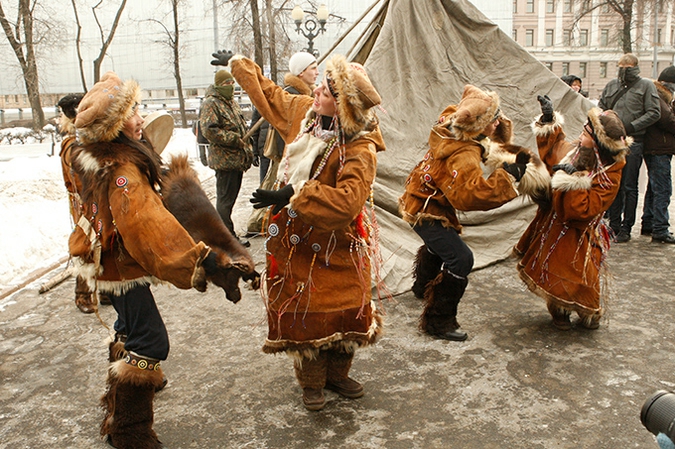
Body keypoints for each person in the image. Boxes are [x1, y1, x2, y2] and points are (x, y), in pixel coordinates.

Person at [211, 50, 384, 411]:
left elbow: (348, 202)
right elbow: (271, 94)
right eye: (318, 84)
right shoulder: (306, 115)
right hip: (297, 244)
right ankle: (311, 382)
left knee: (346, 307)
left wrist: (295, 192)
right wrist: (240, 64)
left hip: (339, 243)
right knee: (305, 310)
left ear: (345, 106)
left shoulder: (360, 147)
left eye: (325, 90)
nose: (316, 91)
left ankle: (337, 373)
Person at [68, 71, 219, 449]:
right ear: (115, 125)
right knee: (151, 341)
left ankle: (117, 402)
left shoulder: (108, 156)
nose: (141, 117)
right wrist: (194, 263)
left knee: (131, 327)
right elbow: (147, 231)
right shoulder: (123, 174)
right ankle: (129, 430)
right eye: (133, 111)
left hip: (108, 259)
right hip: (117, 265)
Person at [398, 84, 543, 342]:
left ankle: (422, 287)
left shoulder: (453, 119)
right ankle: (439, 321)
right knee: (461, 259)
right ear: (479, 124)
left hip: (420, 197)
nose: (499, 121)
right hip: (425, 209)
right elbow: (469, 196)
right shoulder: (463, 153)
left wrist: (494, 124)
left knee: (440, 245)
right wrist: (507, 177)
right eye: (493, 119)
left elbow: (473, 115)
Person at [515, 95, 631, 330]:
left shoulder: (611, 174)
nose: (581, 134)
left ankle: (588, 313)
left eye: (587, 132)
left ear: (598, 142)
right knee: (555, 271)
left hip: (581, 236)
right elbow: (556, 149)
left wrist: (574, 178)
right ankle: (559, 311)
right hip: (554, 229)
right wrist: (549, 120)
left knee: (582, 276)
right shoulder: (576, 152)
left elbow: (581, 211)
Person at [246, 52, 318, 236]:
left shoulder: (305, 93)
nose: (317, 72)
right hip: (284, 153)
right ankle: (262, 224)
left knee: (275, 190)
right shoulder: (292, 95)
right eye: (313, 68)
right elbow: (278, 126)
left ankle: (265, 224)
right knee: (274, 190)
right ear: (301, 72)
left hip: (285, 152)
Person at [57, 93, 111, 313]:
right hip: (85, 203)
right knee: (86, 246)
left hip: (96, 200)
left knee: (106, 241)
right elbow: (80, 178)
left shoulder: (84, 141)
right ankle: (83, 295)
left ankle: (107, 288)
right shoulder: (72, 145)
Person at [598, 53, 660, 243]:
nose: (624, 69)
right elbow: (601, 106)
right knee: (613, 184)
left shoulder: (646, 85)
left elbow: (653, 112)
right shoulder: (612, 85)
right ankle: (613, 225)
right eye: (621, 66)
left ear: (636, 66)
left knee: (629, 186)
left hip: (634, 142)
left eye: (628, 66)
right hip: (612, 143)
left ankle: (626, 227)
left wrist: (632, 127)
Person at [199, 69, 253, 247]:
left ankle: (226, 236)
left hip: (236, 161)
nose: (230, 87)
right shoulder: (211, 103)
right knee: (224, 201)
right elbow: (209, 130)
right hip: (225, 161)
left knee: (229, 201)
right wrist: (234, 139)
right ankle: (225, 239)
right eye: (226, 84)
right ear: (218, 85)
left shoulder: (230, 102)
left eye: (232, 83)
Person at [640, 66, 675, 244]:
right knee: (663, 189)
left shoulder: (658, 95)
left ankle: (649, 222)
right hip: (658, 148)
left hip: (657, 148)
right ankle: (660, 228)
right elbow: (668, 120)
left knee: (654, 188)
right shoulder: (660, 96)